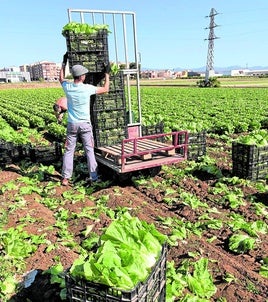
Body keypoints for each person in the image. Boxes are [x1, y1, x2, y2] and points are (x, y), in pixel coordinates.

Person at [59, 52, 110, 186]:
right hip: (85, 125)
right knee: (89, 150)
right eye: (84, 74)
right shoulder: (87, 89)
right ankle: (94, 177)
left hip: (72, 124)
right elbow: (106, 89)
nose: (85, 76)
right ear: (81, 77)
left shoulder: (68, 88)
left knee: (69, 151)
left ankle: (65, 178)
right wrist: (107, 74)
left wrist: (63, 63)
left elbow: (61, 78)